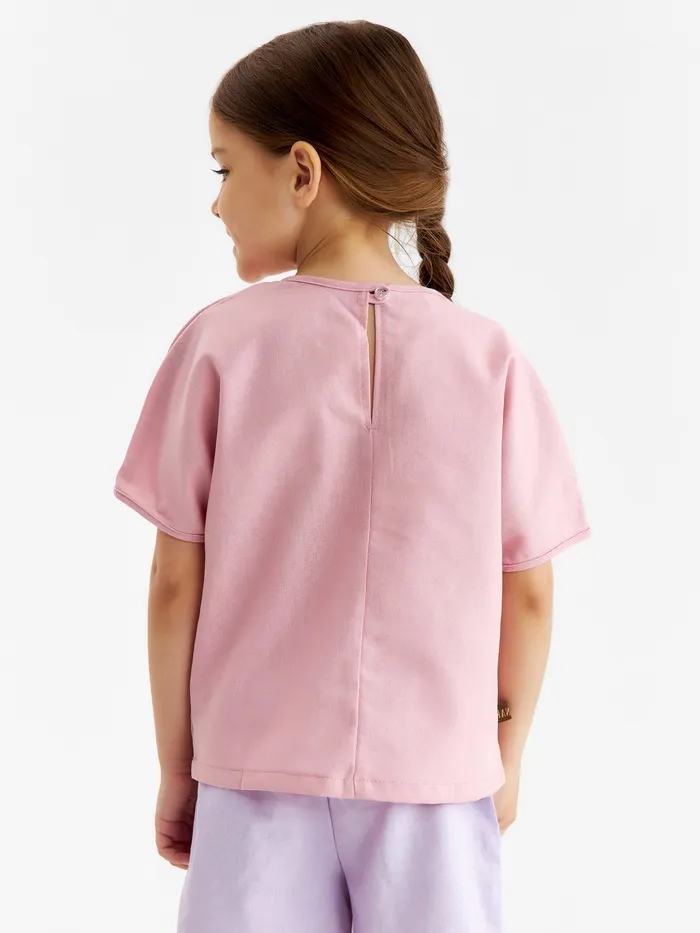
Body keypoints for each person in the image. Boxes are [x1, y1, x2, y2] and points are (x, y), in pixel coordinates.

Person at [113, 19, 591, 933]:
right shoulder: (488, 358)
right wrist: (505, 754)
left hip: (253, 775)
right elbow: (529, 591)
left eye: (224, 169)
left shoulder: (220, 345)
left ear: (302, 170)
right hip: (436, 783)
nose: (216, 204)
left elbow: (176, 580)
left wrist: (178, 768)